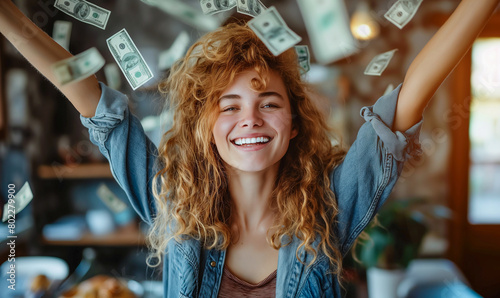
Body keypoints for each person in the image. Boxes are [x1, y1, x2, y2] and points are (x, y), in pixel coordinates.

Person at [1, 0, 498, 296]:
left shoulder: (330, 210)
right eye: (230, 106)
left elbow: (412, 92)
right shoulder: (173, 205)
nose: (251, 120)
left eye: (268, 102)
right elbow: (89, 97)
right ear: (208, 127)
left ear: (295, 124)